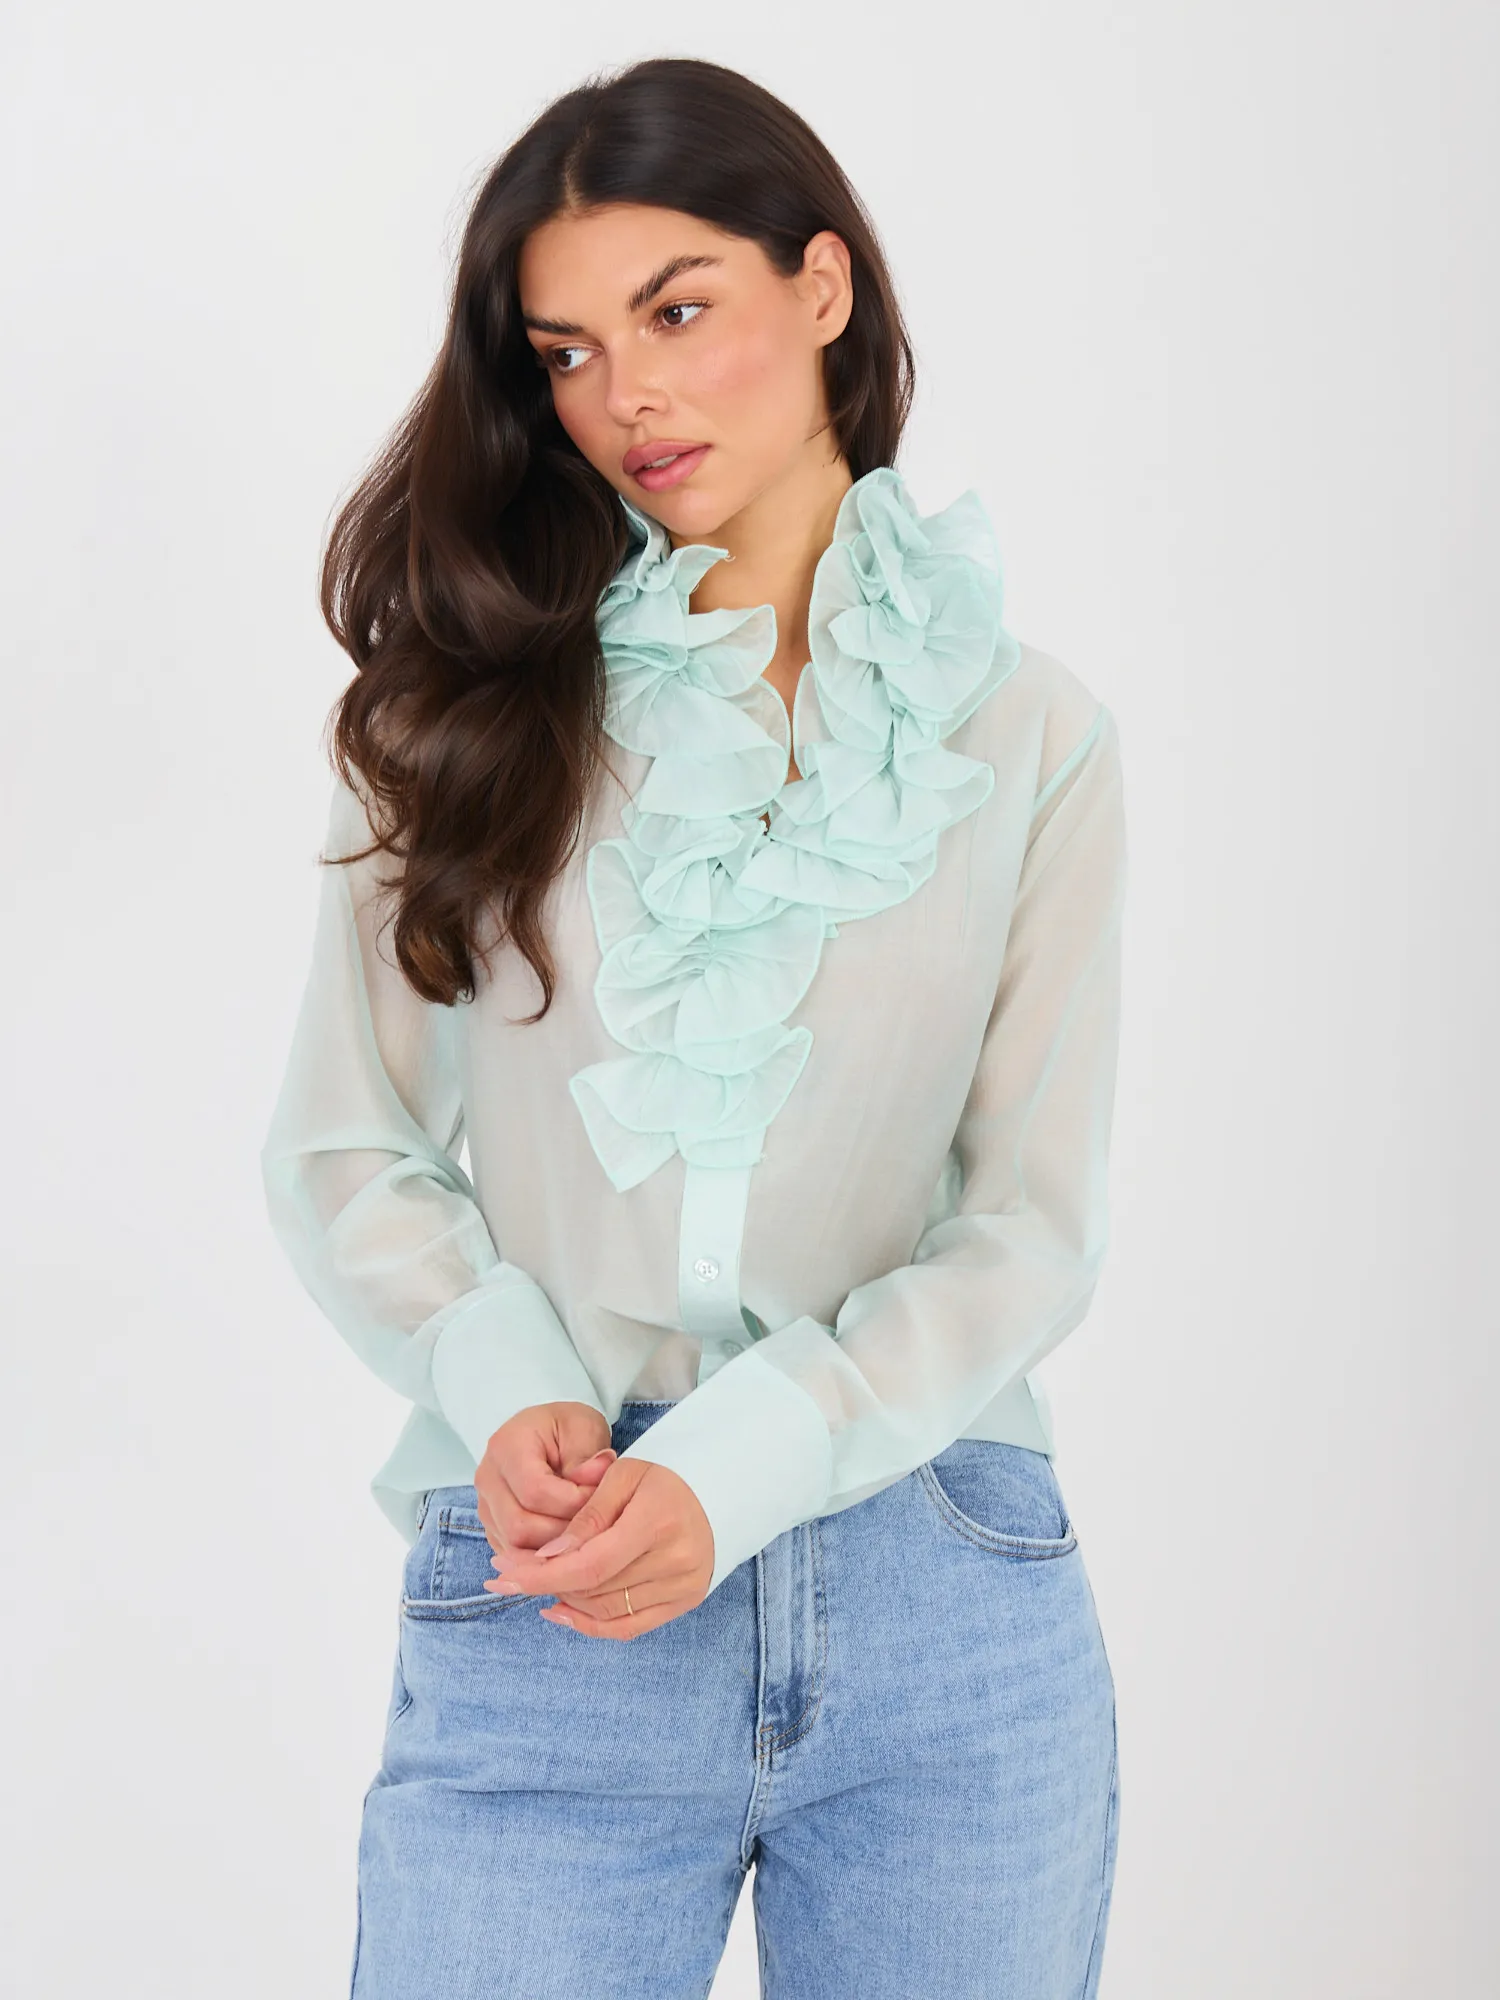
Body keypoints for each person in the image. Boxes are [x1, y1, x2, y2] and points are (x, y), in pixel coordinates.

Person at [261, 53, 1127, 2000]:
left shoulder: (1034, 736)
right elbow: (344, 1144)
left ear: (822, 286)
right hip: (553, 1573)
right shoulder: (454, 720)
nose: (625, 397)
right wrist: (506, 1380)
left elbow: (1030, 1225)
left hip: (940, 1594)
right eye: (568, 352)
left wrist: (752, 1454)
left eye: (676, 312)